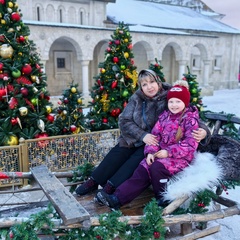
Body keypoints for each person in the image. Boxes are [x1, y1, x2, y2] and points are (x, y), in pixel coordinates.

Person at [75, 69, 209, 197]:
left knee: (137, 158)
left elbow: (189, 113)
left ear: (158, 82)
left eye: (152, 82)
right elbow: (124, 120)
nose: (149, 87)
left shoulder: (170, 95)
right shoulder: (137, 98)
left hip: (157, 142)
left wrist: (204, 131)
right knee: (119, 151)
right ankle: (94, 180)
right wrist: (142, 135)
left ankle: (111, 186)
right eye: (145, 84)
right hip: (137, 137)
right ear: (141, 87)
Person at [95, 80, 199, 209]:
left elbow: (189, 145)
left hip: (180, 158)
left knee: (157, 167)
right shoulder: (165, 116)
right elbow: (155, 136)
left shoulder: (190, 120)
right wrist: (150, 152)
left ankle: (162, 198)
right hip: (160, 154)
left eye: (178, 102)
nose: (174, 105)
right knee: (143, 169)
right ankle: (117, 199)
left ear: (185, 102)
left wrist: (168, 152)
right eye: (171, 101)